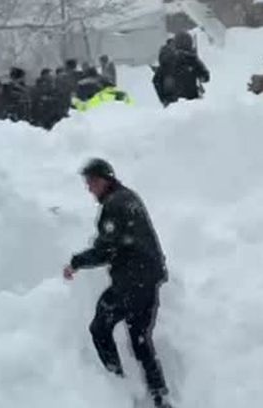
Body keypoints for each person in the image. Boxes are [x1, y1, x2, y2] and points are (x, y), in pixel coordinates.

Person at [63, 159, 172, 408]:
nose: (89, 188)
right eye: (87, 183)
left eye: (92, 182)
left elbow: (106, 249)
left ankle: (116, 387)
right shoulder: (129, 198)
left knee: (99, 328)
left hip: (132, 280)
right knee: (139, 338)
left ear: (105, 179)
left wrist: (76, 263)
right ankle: (160, 396)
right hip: (149, 278)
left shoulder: (114, 206)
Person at [154, 31, 210, 106]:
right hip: (191, 101)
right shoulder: (191, 59)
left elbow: (156, 80)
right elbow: (205, 76)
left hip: (172, 103)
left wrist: (164, 99)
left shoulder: (167, 58)